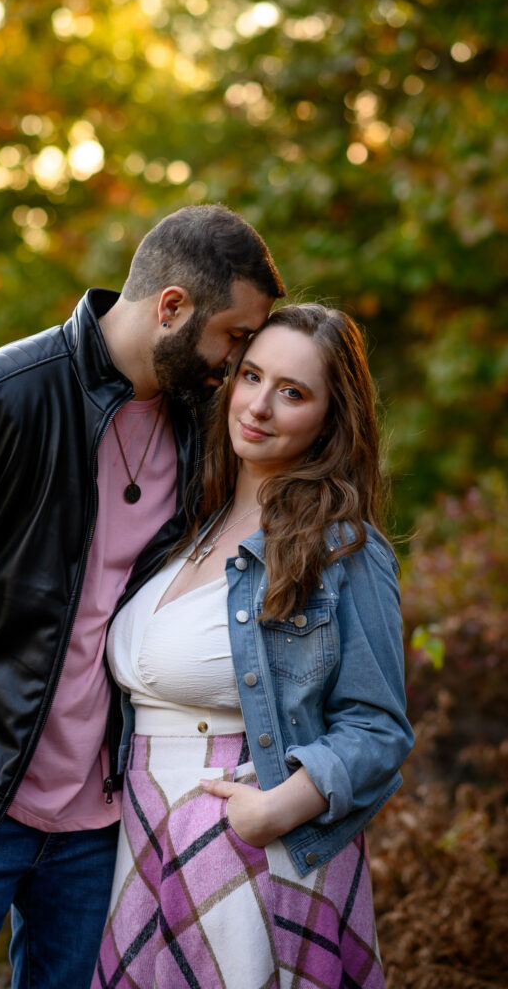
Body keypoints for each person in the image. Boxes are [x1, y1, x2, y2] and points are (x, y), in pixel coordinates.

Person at [0, 204, 284, 989]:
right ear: (172, 306)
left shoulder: (198, 428)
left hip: (105, 819)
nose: (238, 362)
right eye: (235, 336)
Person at [93, 304, 414, 989]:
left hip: (252, 850)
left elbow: (378, 728)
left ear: (331, 417)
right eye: (250, 376)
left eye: (292, 392)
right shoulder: (185, 525)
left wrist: (277, 808)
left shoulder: (342, 547)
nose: (259, 406)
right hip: (141, 831)